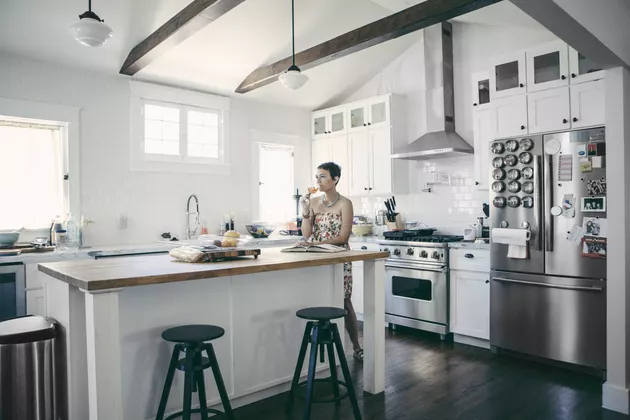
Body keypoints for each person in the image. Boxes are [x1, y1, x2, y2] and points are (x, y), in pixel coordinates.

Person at [298, 162, 363, 362]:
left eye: (323, 176)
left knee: (344, 300)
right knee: (319, 297)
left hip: (338, 257)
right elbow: (307, 234)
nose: (318, 180)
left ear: (335, 179)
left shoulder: (345, 203)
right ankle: (324, 355)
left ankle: (356, 347)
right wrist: (306, 210)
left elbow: (343, 238)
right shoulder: (315, 202)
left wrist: (318, 244)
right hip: (317, 257)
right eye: (317, 176)